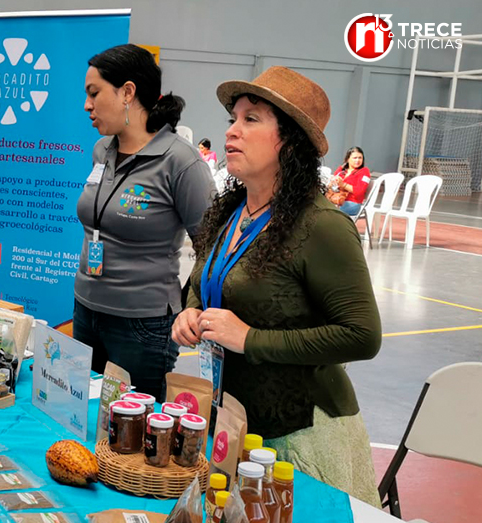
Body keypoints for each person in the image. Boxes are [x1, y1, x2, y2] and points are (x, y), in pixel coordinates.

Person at [171, 66, 381, 505]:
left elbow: (363, 336)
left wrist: (250, 338)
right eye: (233, 118)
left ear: (291, 141)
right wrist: (191, 309)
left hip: (301, 437)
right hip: (236, 422)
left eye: (251, 119)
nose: (231, 130)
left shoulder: (321, 225)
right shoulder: (231, 212)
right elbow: (203, 279)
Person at [74, 44, 215, 399]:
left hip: (142, 326)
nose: (87, 105)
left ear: (127, 92)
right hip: (86, 310)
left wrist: (191, 309)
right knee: (84, 417)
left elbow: (213, 246)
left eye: (94, 93)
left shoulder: (181, 162)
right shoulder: (102, 151)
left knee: (132, 427)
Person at [328, 146, 371, 216]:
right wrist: (332, 183)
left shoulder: (364, 171)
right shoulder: (341, 170)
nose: (357, 160)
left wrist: (343, 185)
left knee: (327, 211)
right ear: (348, 159)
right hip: (335, 199)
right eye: (355, 158)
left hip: (352, 203)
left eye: (360, 158)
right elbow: (331, 185)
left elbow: (359, 191)